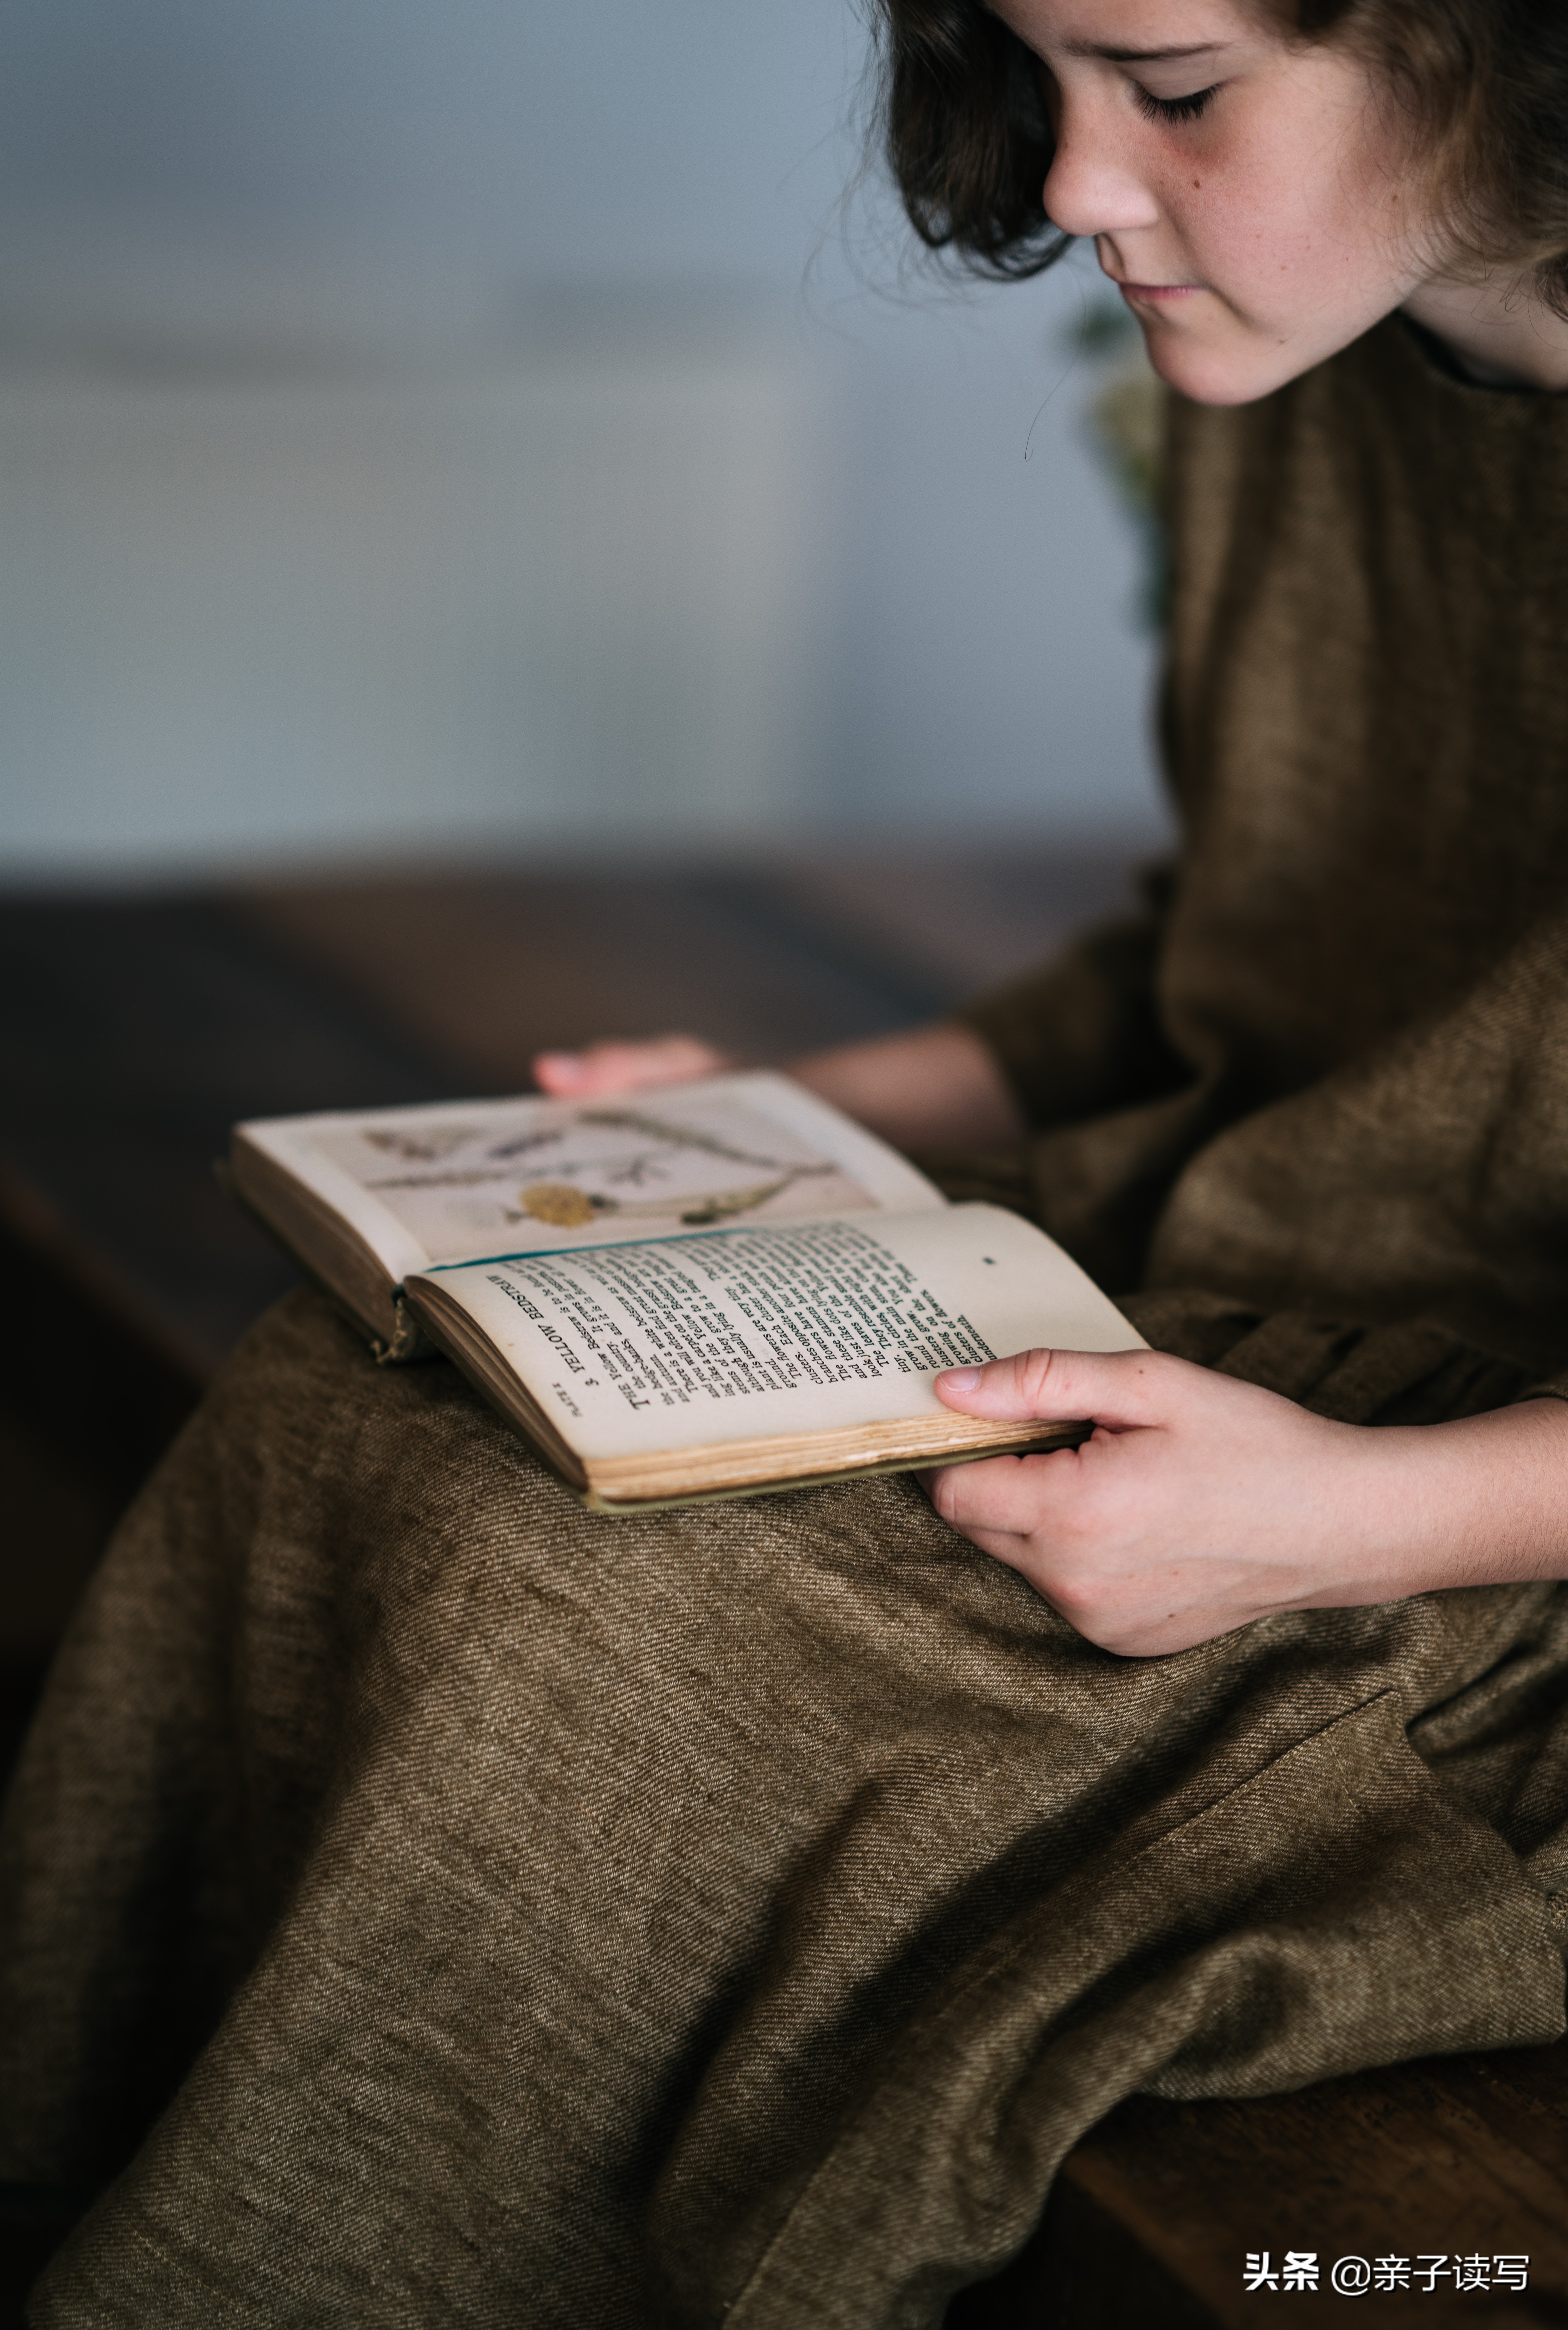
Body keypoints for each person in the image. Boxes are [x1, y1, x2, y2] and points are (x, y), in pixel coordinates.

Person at [4, 1, 1568, 2323]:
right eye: (1033, 78)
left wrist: (1344, 1520)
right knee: (363, 1408)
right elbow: (1271, 948)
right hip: (1230, 1298)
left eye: (1171, 84)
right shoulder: (1298, 348)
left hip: (1478, 1537)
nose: (1064, 185)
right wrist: (792, 1117)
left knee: (602, 1634)